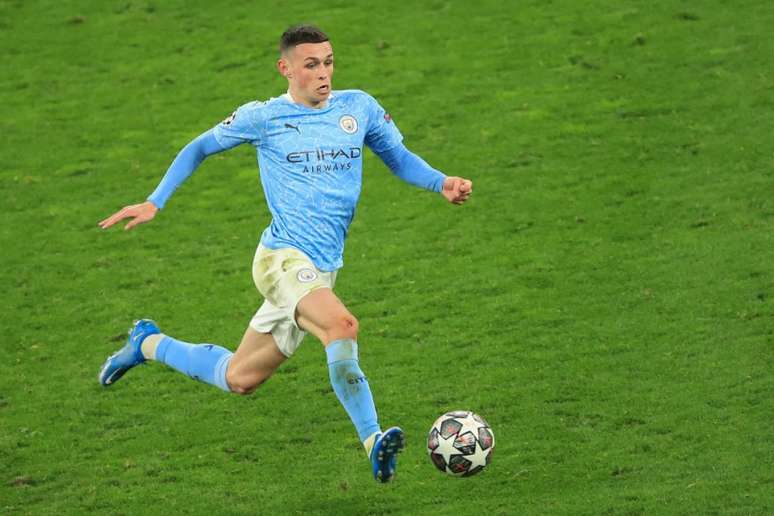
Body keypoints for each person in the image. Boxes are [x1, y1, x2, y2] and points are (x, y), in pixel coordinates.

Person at [97, 24, 473, 483]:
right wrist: (155, 200)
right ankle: (374, 440)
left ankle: (147, 344)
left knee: (240, 377)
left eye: (329, 62)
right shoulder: (264, 117)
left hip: (321, 269)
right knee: (342, 325)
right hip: (281, 259)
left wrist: (442, 182)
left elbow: (399, 157)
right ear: (286, 68)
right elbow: (199, 147)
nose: (323, 73)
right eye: (311, 64)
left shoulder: (359, 108)